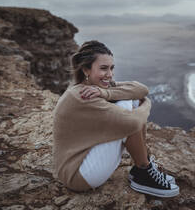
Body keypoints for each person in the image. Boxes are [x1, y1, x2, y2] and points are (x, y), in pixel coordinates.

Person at [52, 40, 179, 197]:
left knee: (129, 101)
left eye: (111, 68)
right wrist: (146, 105)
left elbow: (141, 89)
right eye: (104, 68)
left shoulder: (96, 88)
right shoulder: (82, 96)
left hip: (81, 161)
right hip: (77, 175)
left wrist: (107, 93)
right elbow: (134, 122)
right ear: (86, 69)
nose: (110, 74)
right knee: (126, 107)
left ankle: (142, 168)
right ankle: (143, 170)